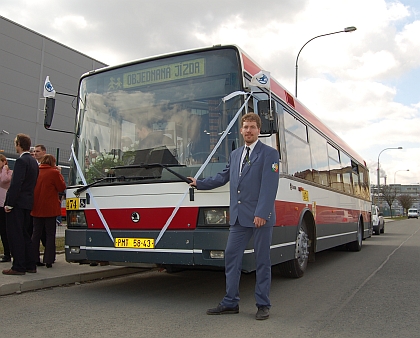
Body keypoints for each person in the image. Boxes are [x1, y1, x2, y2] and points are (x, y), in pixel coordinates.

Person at [188, 113, 279, 320]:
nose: (248, 130)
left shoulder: (269, 154)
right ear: (240, 130)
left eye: (252, 127)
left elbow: (269, 186)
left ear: (259, 130)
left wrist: (262, 213)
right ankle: (230, 302)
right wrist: (199, 183)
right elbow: (224, 176)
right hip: (239, 218)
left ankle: (263, 304)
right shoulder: (236, 154)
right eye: (245, 127)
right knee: (231, 257)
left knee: (262, 260)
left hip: (260, 218)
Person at [2, 133, 39, 275]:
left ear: (18, 144)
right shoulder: (33, 162)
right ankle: (30, 264)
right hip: (27, 202)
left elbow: (16, 183)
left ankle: (18, 266)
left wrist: (9, 203)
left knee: (15, 235)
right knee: (24, 234)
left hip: (17, 203)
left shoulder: (21, 161)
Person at [31, 154, 66, 268]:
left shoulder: (36, 171)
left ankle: (34, 258)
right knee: (50, 234)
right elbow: (61, 187)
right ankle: (49, 259)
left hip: (36, 207)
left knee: (36, 233)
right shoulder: (54, 172)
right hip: (50, 208)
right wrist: (59, 173)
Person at [0, 155, 13, 262]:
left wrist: (4, 169)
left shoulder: (9, 173)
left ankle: (7, 253)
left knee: (4, 230)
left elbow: (4, 181)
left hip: (3, 204)